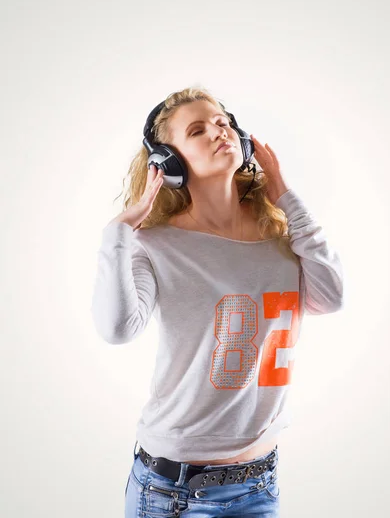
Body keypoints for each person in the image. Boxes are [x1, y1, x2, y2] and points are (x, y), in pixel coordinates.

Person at [90, 86, 344, 517]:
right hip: (171, 490)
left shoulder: (283, 236)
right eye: (197, 130)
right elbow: (117, 329)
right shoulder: (155, 246)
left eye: (224, 123)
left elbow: (331, 298)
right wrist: (117, 232)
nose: (218, 132)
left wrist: (284, 195)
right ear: (167, 163)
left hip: (259, 484)